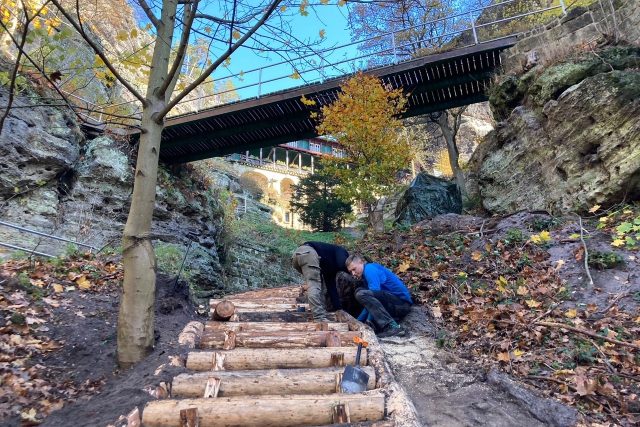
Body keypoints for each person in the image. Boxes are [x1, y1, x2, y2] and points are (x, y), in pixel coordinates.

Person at [345, 254, 413, 338]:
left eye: (354, 269)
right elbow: (371, 302)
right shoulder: (366, 274)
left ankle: (393, 327)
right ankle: (381, 326)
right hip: (392, 303)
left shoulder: (370, 269)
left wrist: (366, 321)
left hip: (401, 304)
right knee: (360, 292)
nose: (353, 273)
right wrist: (358, 321)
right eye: (350, 271)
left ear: (361, 262)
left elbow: (373, 298)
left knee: (361, 293)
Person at [292, 241, 349, 322]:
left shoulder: (329, 268)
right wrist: (352, 272)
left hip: (297, 255)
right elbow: (342, 263)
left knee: (318, 285)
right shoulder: (341, 251)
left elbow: (331, 287)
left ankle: (320, 312)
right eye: (352, 269)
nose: (352, 271)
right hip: (308, 252)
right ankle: (319, 317)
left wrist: (338, 308)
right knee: (313, 284)